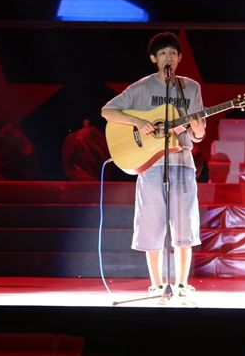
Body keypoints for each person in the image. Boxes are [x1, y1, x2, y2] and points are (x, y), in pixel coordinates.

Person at [101, 31, 206, 298]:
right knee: (152, 222)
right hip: (150, 164)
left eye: (172, 53)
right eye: (162, 53)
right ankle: (157, 283)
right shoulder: (141, 88)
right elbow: (107, 111)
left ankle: (181, 283)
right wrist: (138, 122)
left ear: (180, 58)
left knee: (184, 223)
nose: (168, 57)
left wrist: (198, 129)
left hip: (183, 162)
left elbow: (198, 134)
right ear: (153, 59)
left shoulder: (190, 88)